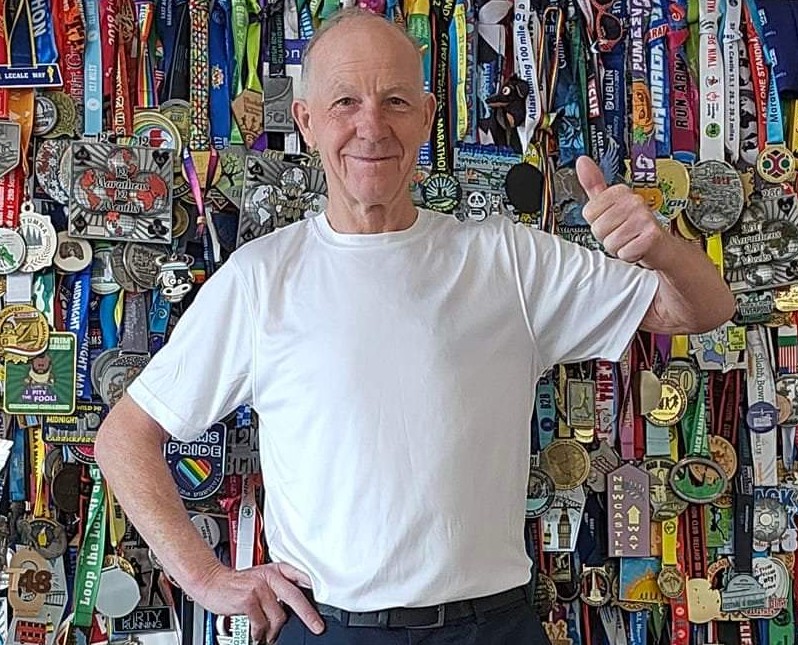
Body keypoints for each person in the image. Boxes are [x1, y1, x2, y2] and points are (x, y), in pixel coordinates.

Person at [94, 8, 735, 645]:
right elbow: (123, 437)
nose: (371, 126)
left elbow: (703, 309)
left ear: (428, 116)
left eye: (395, 101)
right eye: (345, 101)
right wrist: (204, 576)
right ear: (306, 122)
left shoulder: (509, 260)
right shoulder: (262, 278)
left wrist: (661, 249)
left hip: (494, 626)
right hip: (330, 629)